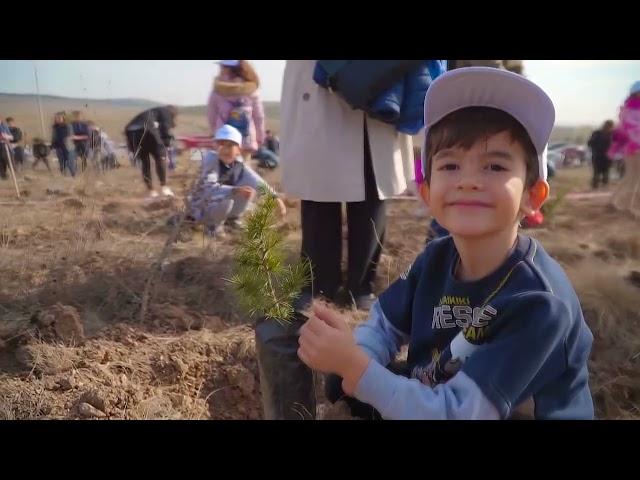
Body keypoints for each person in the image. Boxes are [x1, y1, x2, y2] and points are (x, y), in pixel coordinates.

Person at [297, 67, 594, 420]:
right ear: (426, 192)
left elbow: (458, 413)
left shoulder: (539, 302)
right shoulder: (436, 258)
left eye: (495, 167)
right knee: (349, 387)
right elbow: (384, 324)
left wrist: (357, 368)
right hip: (439, 397)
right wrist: (359, 357)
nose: (468, 181)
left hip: (480, 410)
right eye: (450, 165)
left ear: (533, 195)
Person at [280, 60, 414, 310]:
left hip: (377, 84)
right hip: (319, 83)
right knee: (319, 190)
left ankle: (361, 286)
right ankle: (319, 286)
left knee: (371, 189)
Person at [187, 125, 286, 237]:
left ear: (238, 150)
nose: (225, 149)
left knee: (248, 191)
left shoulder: (238, 165)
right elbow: (208, 188)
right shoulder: (211, 160)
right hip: (202, 207)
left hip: (222, 205)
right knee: (228, 200)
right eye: (221, 144)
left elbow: (257, 181)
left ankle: (232, 221)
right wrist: (234, 190)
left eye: (230, 145)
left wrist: (275, 198)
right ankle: (213, 226)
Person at [207, 60, 266, 162]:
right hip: (246, 140)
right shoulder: (251, 90)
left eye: (222, 66)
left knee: (225, 171)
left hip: (224, 141)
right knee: (244, 172)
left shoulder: (217, 91)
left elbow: (211, 116)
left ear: (228, 69)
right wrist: (260, 138)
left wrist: (215, 132)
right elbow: (259, 117)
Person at [124, 105, 177, 198]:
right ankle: (164, 188)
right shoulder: (166, 111)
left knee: (145, 162)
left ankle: (151, 191)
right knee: (160, 157)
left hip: (131, 132)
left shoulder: (151, 112)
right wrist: (167, 145)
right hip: (146, 129)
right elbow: (165, 128)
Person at [608, 81, 640, 215]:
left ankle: (616, 201)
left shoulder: (627, 109)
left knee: (630, 177)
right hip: (635, 148)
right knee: (633, 178)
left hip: (631, 148)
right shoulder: (633, 111)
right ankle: (628, 207)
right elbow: (632, 131)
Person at [587, 120, 614, 189]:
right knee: (597, 172)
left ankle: (603, 186)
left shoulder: (611, 134)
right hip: (598, 156)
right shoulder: (597, 133)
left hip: (606, 157)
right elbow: (590, 143)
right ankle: (595, 186)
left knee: (605, 172)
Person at [51, 112, 77, 177]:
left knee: (70, 164)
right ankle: (64, 178)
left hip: (68, 148)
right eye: (56, 118)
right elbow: (54, 137)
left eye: (59, 118)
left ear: (63, 118)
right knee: (62, 164)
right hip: (59, 148)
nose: (58, 119)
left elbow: (71, 136)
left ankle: (74, 177)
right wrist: (52, 145)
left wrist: (64, 139)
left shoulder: (68, 126)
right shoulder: (55, 127)